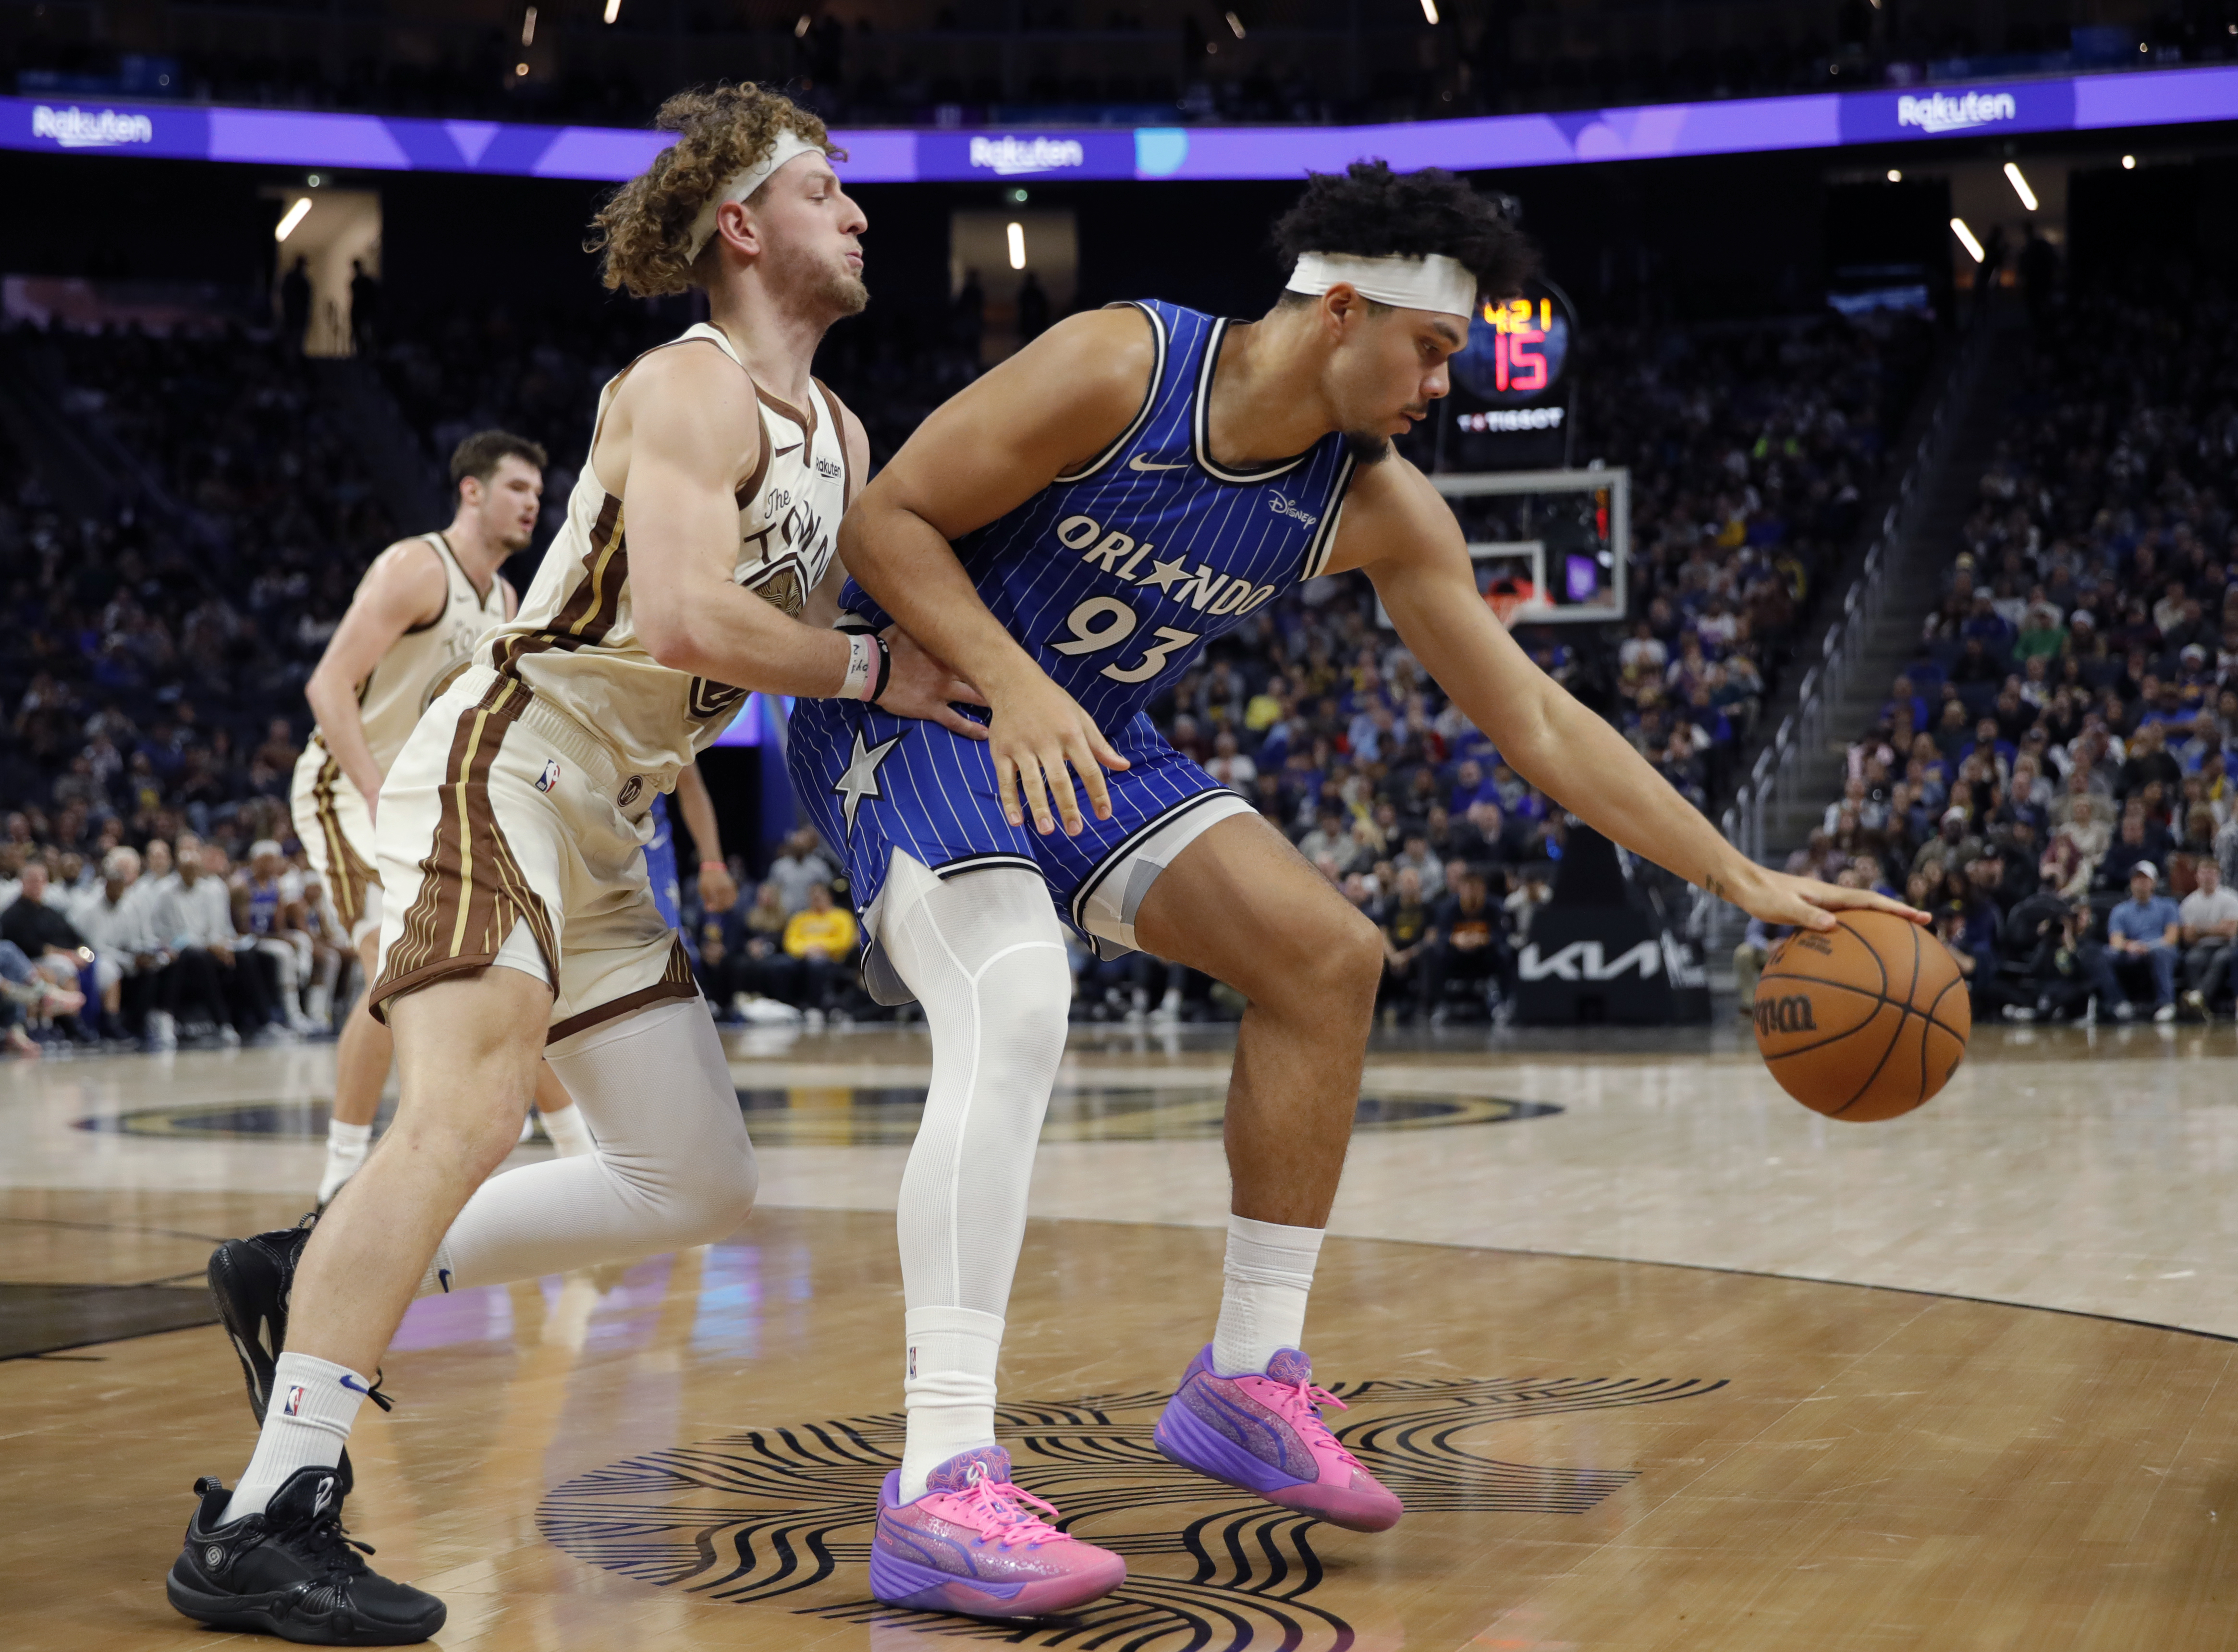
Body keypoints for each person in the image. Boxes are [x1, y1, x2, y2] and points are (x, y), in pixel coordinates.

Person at [786, 158, 1920, 1618]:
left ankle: (1246, 1379)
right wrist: (1010, 685)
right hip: (913, 714)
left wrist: (1735, 872)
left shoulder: (1377, 501)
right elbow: (887, 522)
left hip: (1091, 741)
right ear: (1340, 311)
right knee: (1016, 997)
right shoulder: (1122, 364)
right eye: (1433, 349)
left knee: (1327, 957)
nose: (1442, 385)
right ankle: (938, 1479)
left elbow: (1537, 720)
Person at [171, 85, 978, 1644]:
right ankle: (268, 1511)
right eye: (828, 190)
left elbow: (857, 608)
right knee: (469, 1101)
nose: (861, 214)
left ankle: (313, 1264)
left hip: (607, 809)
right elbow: (684, 620)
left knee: (691, 1174)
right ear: (740, 225)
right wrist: (876, 670)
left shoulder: (843, 430)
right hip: (508, 757)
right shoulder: (683, 392)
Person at [290, 429, 594, 1207]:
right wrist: (372, 790)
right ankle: (339, 1174)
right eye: (519, 488)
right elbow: (328, 687)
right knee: (387, 971)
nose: (534, 503)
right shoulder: (415, 567)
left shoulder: (504, 601)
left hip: (425, 798)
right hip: (345, 784)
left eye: (538, 491)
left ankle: (576, 1149)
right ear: (471, 491)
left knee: (511, 964)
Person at [2103, 861, 2181, 1022]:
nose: (2141, 884)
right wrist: (2130, 946)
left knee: (2162, 952)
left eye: (2145, 880)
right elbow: (2116, 941)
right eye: (2137, 879)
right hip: (2131, 952)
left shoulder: (2168, 906)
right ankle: (2118, 1003)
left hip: (2160, 950)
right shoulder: (2120, 911)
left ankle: (2167, 1004)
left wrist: (2150, 947)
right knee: (2104, 955)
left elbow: (2171, 938)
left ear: (2154, 883)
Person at [2177, 857, 2238, 1017]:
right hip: (2201, 947)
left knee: (2221, 958)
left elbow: (2230, 932)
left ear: (2218, 876)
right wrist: (2218, 928)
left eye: (2211, 873)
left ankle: (2198, 997)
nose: (2207, 877)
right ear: (2197, 876)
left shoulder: (2230, 898)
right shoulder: (2189, 903)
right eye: (2204, 873)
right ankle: (2200, 1007)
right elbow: (2188, 937)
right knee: (2192, 960)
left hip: (2227, 945)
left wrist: (2201, 930)